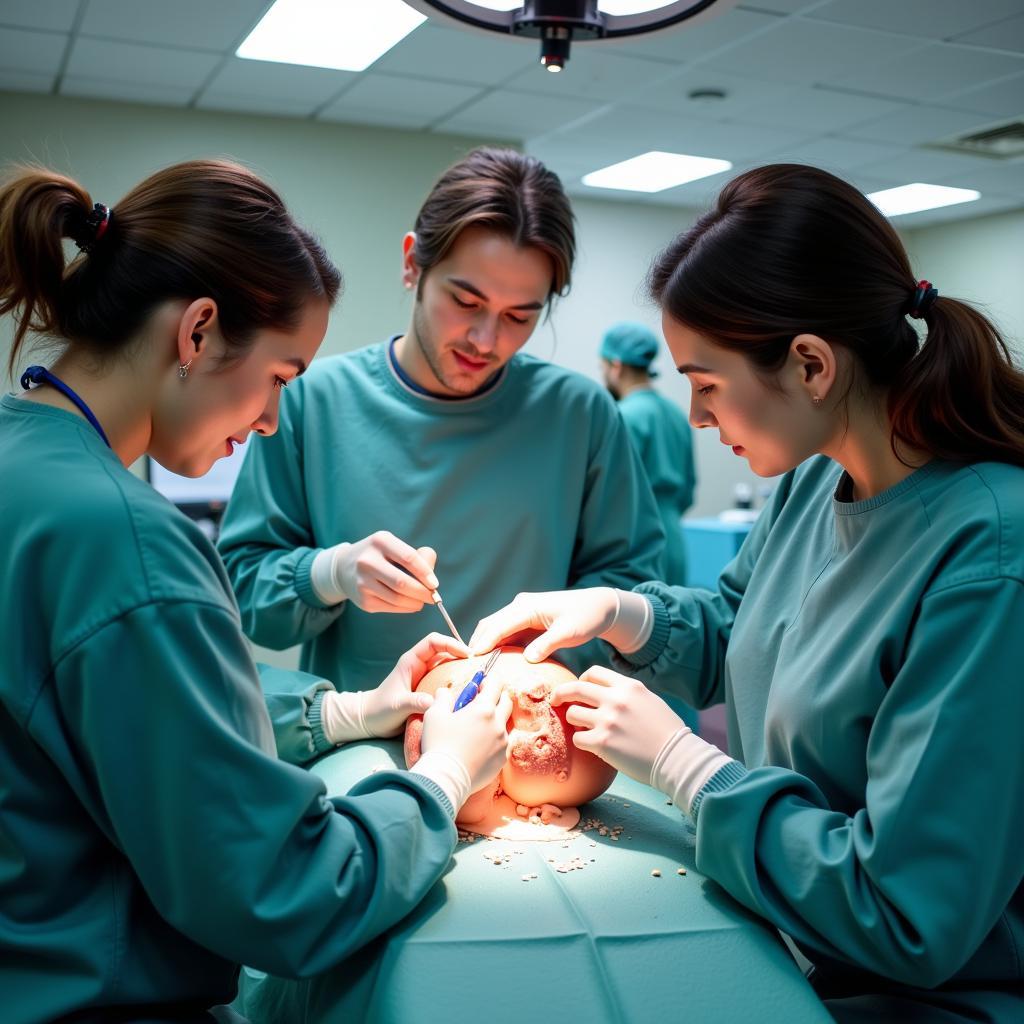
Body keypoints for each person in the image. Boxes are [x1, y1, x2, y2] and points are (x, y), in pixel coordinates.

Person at [469, 164, 1024, 1022]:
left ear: (810, 365)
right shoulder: (814, 483)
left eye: (707, 384)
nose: (694, 416)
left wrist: (690, 769)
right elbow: (742, 624)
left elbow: (911, 916)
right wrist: (621, 613)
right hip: (791, 932)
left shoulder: (987, 553)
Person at [0, 160, 513, 1024]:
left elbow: (111, 719)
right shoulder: (125, 542)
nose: (272, 421)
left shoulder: (25, 462)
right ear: (198, 331)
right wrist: (442, 778)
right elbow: (284, 894)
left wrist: (348, 713)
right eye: (279, 377)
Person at [216, 146, 665, 693]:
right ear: (413, 264)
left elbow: (633, 594)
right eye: (466, 301)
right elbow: (242, 590)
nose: (486, 340)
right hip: (360, 747)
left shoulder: (581, 415)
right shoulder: (310, 402)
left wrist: (542, 660)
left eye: (519, 316)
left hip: (522, 746)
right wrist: (330, 574)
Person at [601, 320, 696, 586]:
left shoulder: (623, 416)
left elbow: (611, 493)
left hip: (637, 542)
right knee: (671, 618)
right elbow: (689, 489)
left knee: (635, 621)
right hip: (673, 538)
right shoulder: (677, 415)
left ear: (615, 366)